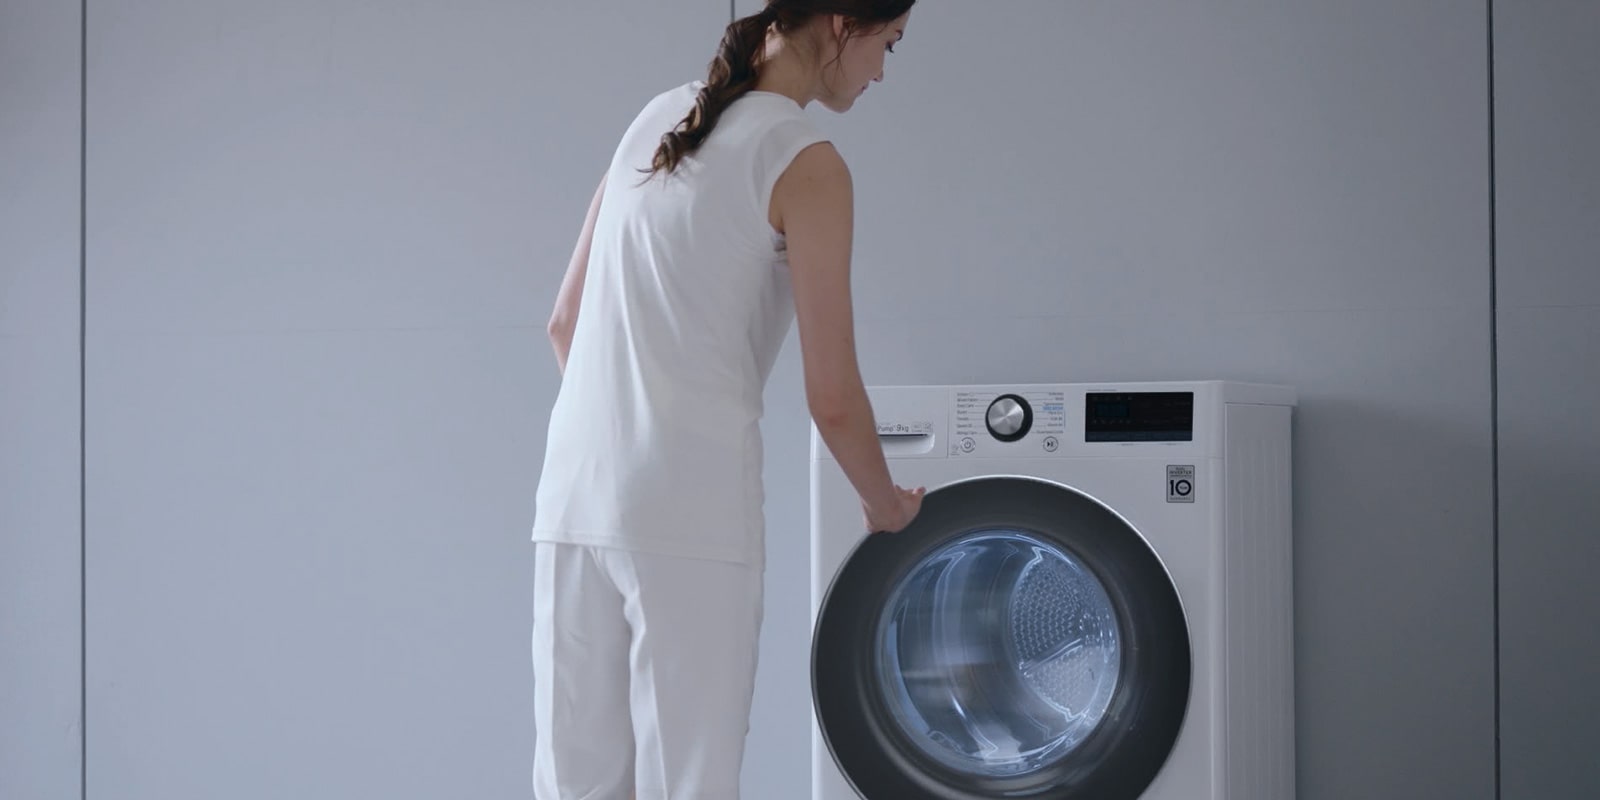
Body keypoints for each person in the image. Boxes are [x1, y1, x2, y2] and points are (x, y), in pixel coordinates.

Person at [530, 2, 921, 797]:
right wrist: (887, 506)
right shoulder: (805, 160)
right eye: (890, 43)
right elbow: (833, 396)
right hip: (690, 512)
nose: (884, 70)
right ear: (845, 24)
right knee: (690, 781)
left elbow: (564, 325)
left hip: (571, 498)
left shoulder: (656, 117)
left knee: (576, 785)